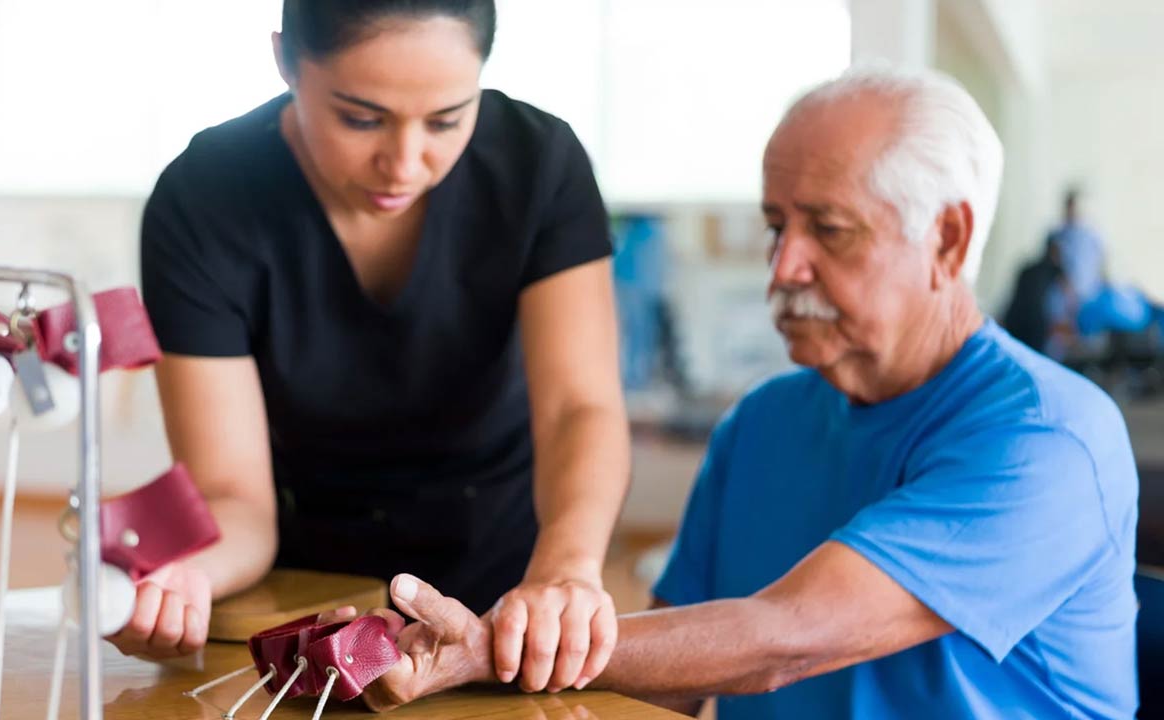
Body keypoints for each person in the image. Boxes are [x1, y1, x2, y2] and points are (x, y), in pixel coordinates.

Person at [351, 67, 1140, 719]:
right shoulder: (763, 422)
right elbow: (678, 684)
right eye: (775, 226)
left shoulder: (1049, 440)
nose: (783, 266)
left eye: (828, 229)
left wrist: (494, 649)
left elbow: (786, 637)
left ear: (948, 239)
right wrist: (494, 661)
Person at [126, 0, 630, 694]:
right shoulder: (203, 199)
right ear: (285, 61)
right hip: (307, 594)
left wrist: (566, 571)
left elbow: (580, 407)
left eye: (446, 120)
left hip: (512, 584)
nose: (405, 164)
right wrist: (181, 576)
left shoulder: (538, 163)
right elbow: (232, 494)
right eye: (361, 119)